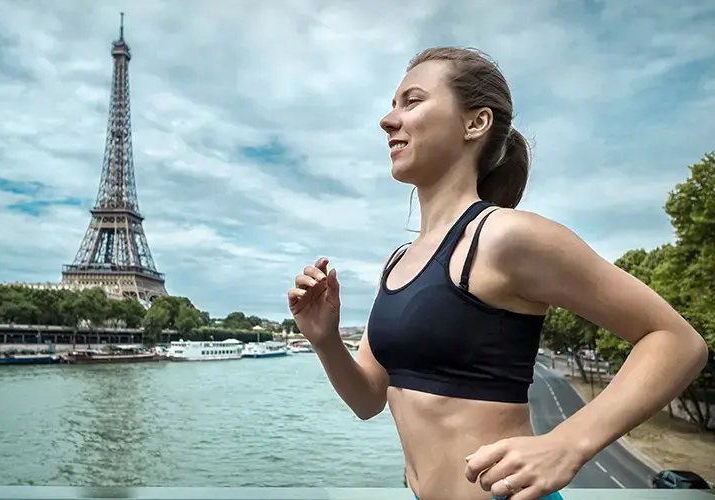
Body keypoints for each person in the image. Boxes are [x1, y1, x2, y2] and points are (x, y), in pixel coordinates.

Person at [287, 46, 709, 500]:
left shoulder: (506, 237)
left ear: (476, 123)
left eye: (412, 101)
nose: (388, 120)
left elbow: (677, 342)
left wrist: (568, 444)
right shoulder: (396, 262)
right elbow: (369, 399)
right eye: (393, 106)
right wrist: (325, 339)